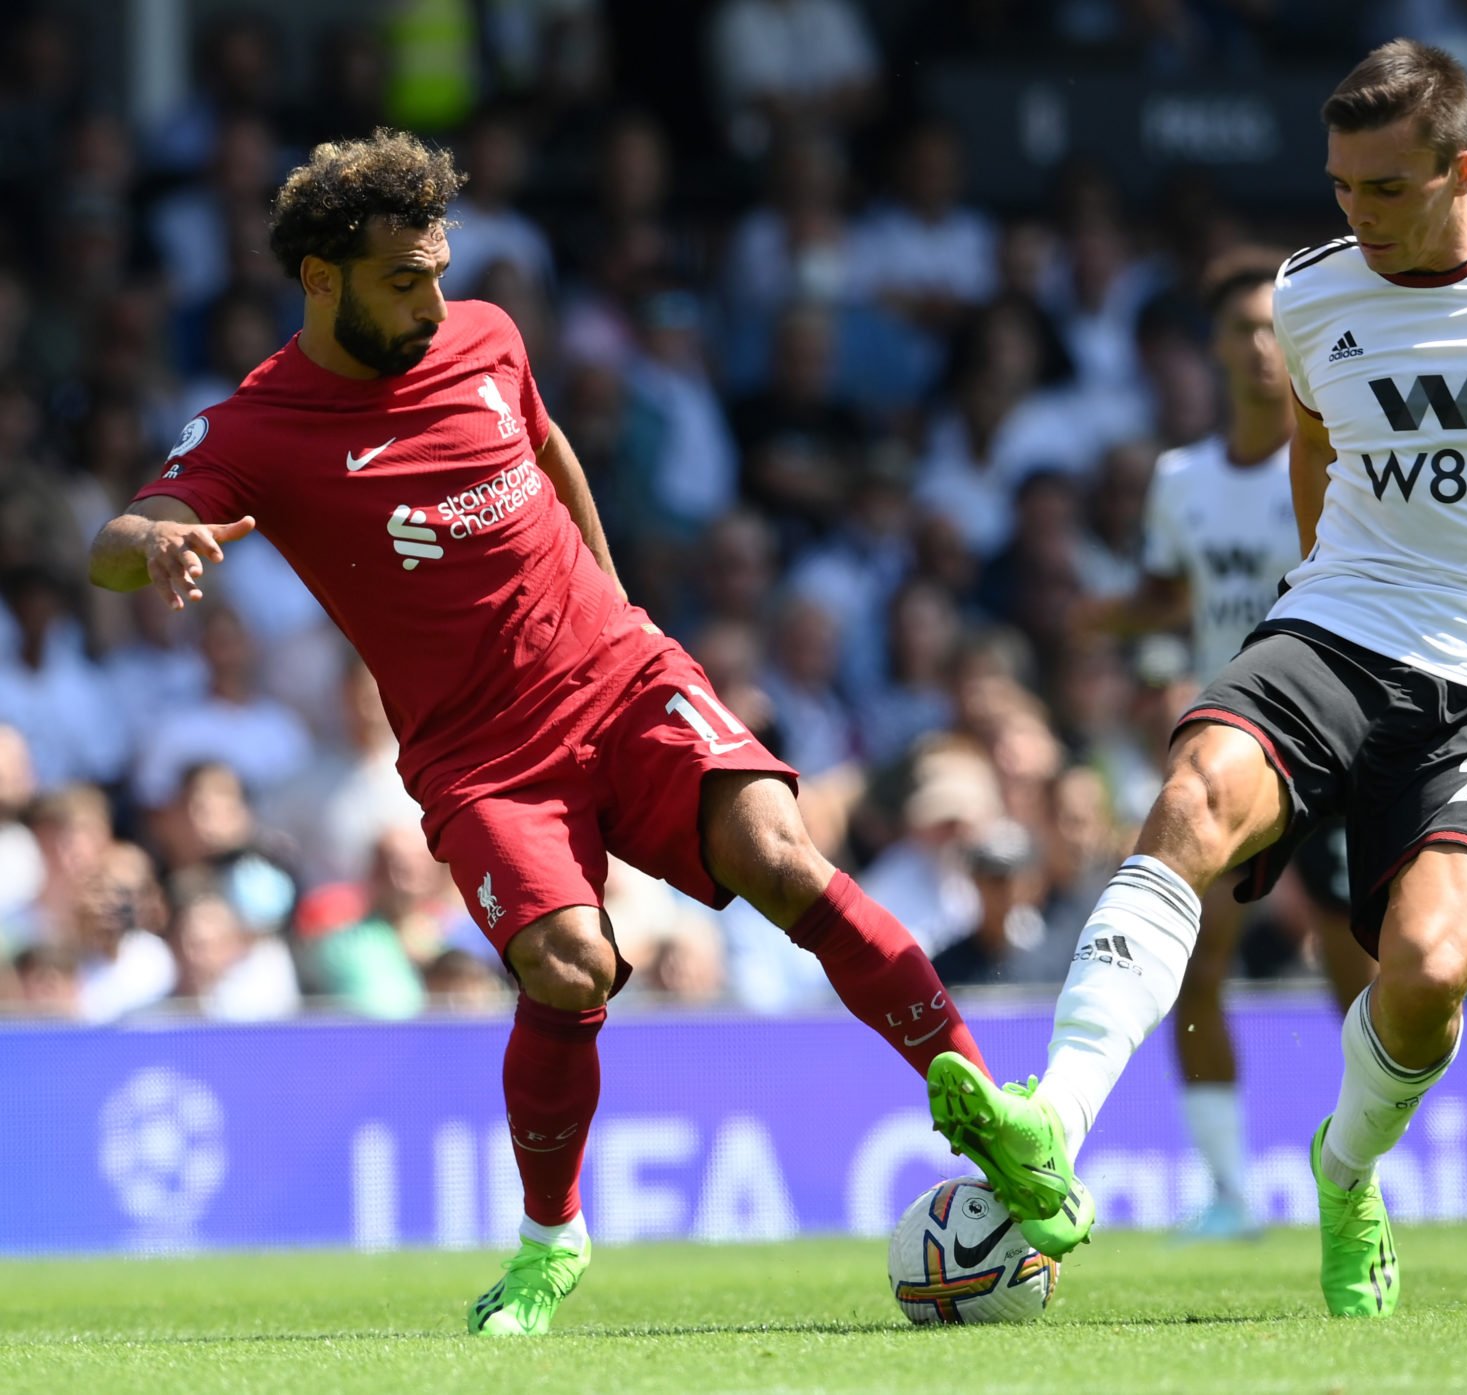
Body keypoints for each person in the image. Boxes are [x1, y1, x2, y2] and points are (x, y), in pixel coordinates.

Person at [923, 40, 1467, 1317]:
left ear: (1462, 171)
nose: (1356, 215)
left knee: (1431, 972)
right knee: (1188, 802)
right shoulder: (1313, 293)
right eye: (1338, 186)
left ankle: (1345, 1174)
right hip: (1343, 628)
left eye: (1385, 190)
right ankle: (1051, 1126)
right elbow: (1317, 450)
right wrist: (1310, 588)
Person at [87, 129, 992, 1337]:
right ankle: (550, 1241)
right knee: (567, 967)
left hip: (617, 675)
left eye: (438, 270)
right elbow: (116, 537)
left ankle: (991, 1112)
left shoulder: (485, 336)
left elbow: (549, 448)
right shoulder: (257, 424)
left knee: (779, 851)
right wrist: (158, 542)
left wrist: (621, 611)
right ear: (321, 279)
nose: (433, 300)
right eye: (403, 280)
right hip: (479, 754)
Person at [1077, 247, 1371, 1240]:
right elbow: (1169, 594)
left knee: (1355, 971)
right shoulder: (1181, 480)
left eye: (1272, 330)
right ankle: (1227, 1195)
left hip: (1336, 742)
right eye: (1239, 331)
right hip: (1231, 750)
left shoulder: (1345, 465)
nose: (1257, 349)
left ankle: (1362, 1175)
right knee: (1191, 968)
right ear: (1211, 350)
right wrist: (1097, 617)